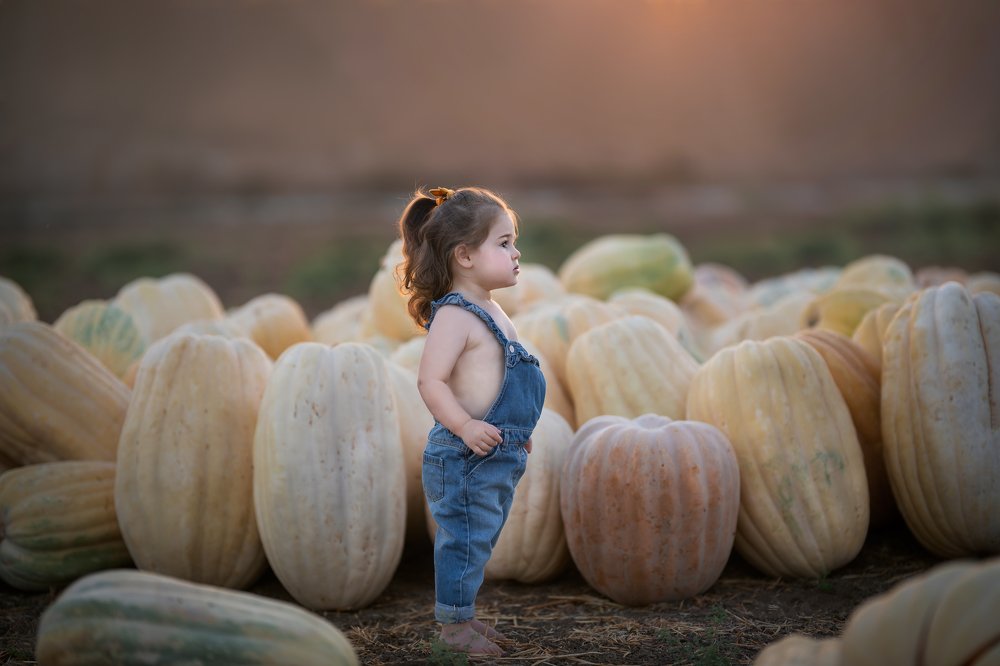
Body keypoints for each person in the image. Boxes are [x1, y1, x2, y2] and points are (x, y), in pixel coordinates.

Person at [397, 186, 546, 656]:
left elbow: (504, 384)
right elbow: (432, 383)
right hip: (464, 456)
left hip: (493, 453)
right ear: (464, 255)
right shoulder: (456, 317)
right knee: (462, 542)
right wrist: (464, 427)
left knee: (477, 543)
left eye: (513, 241)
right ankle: (454, 629)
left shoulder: (494, 310)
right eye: (503, 243)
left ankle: (464, 617)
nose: (516, 252)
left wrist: (517, 435)